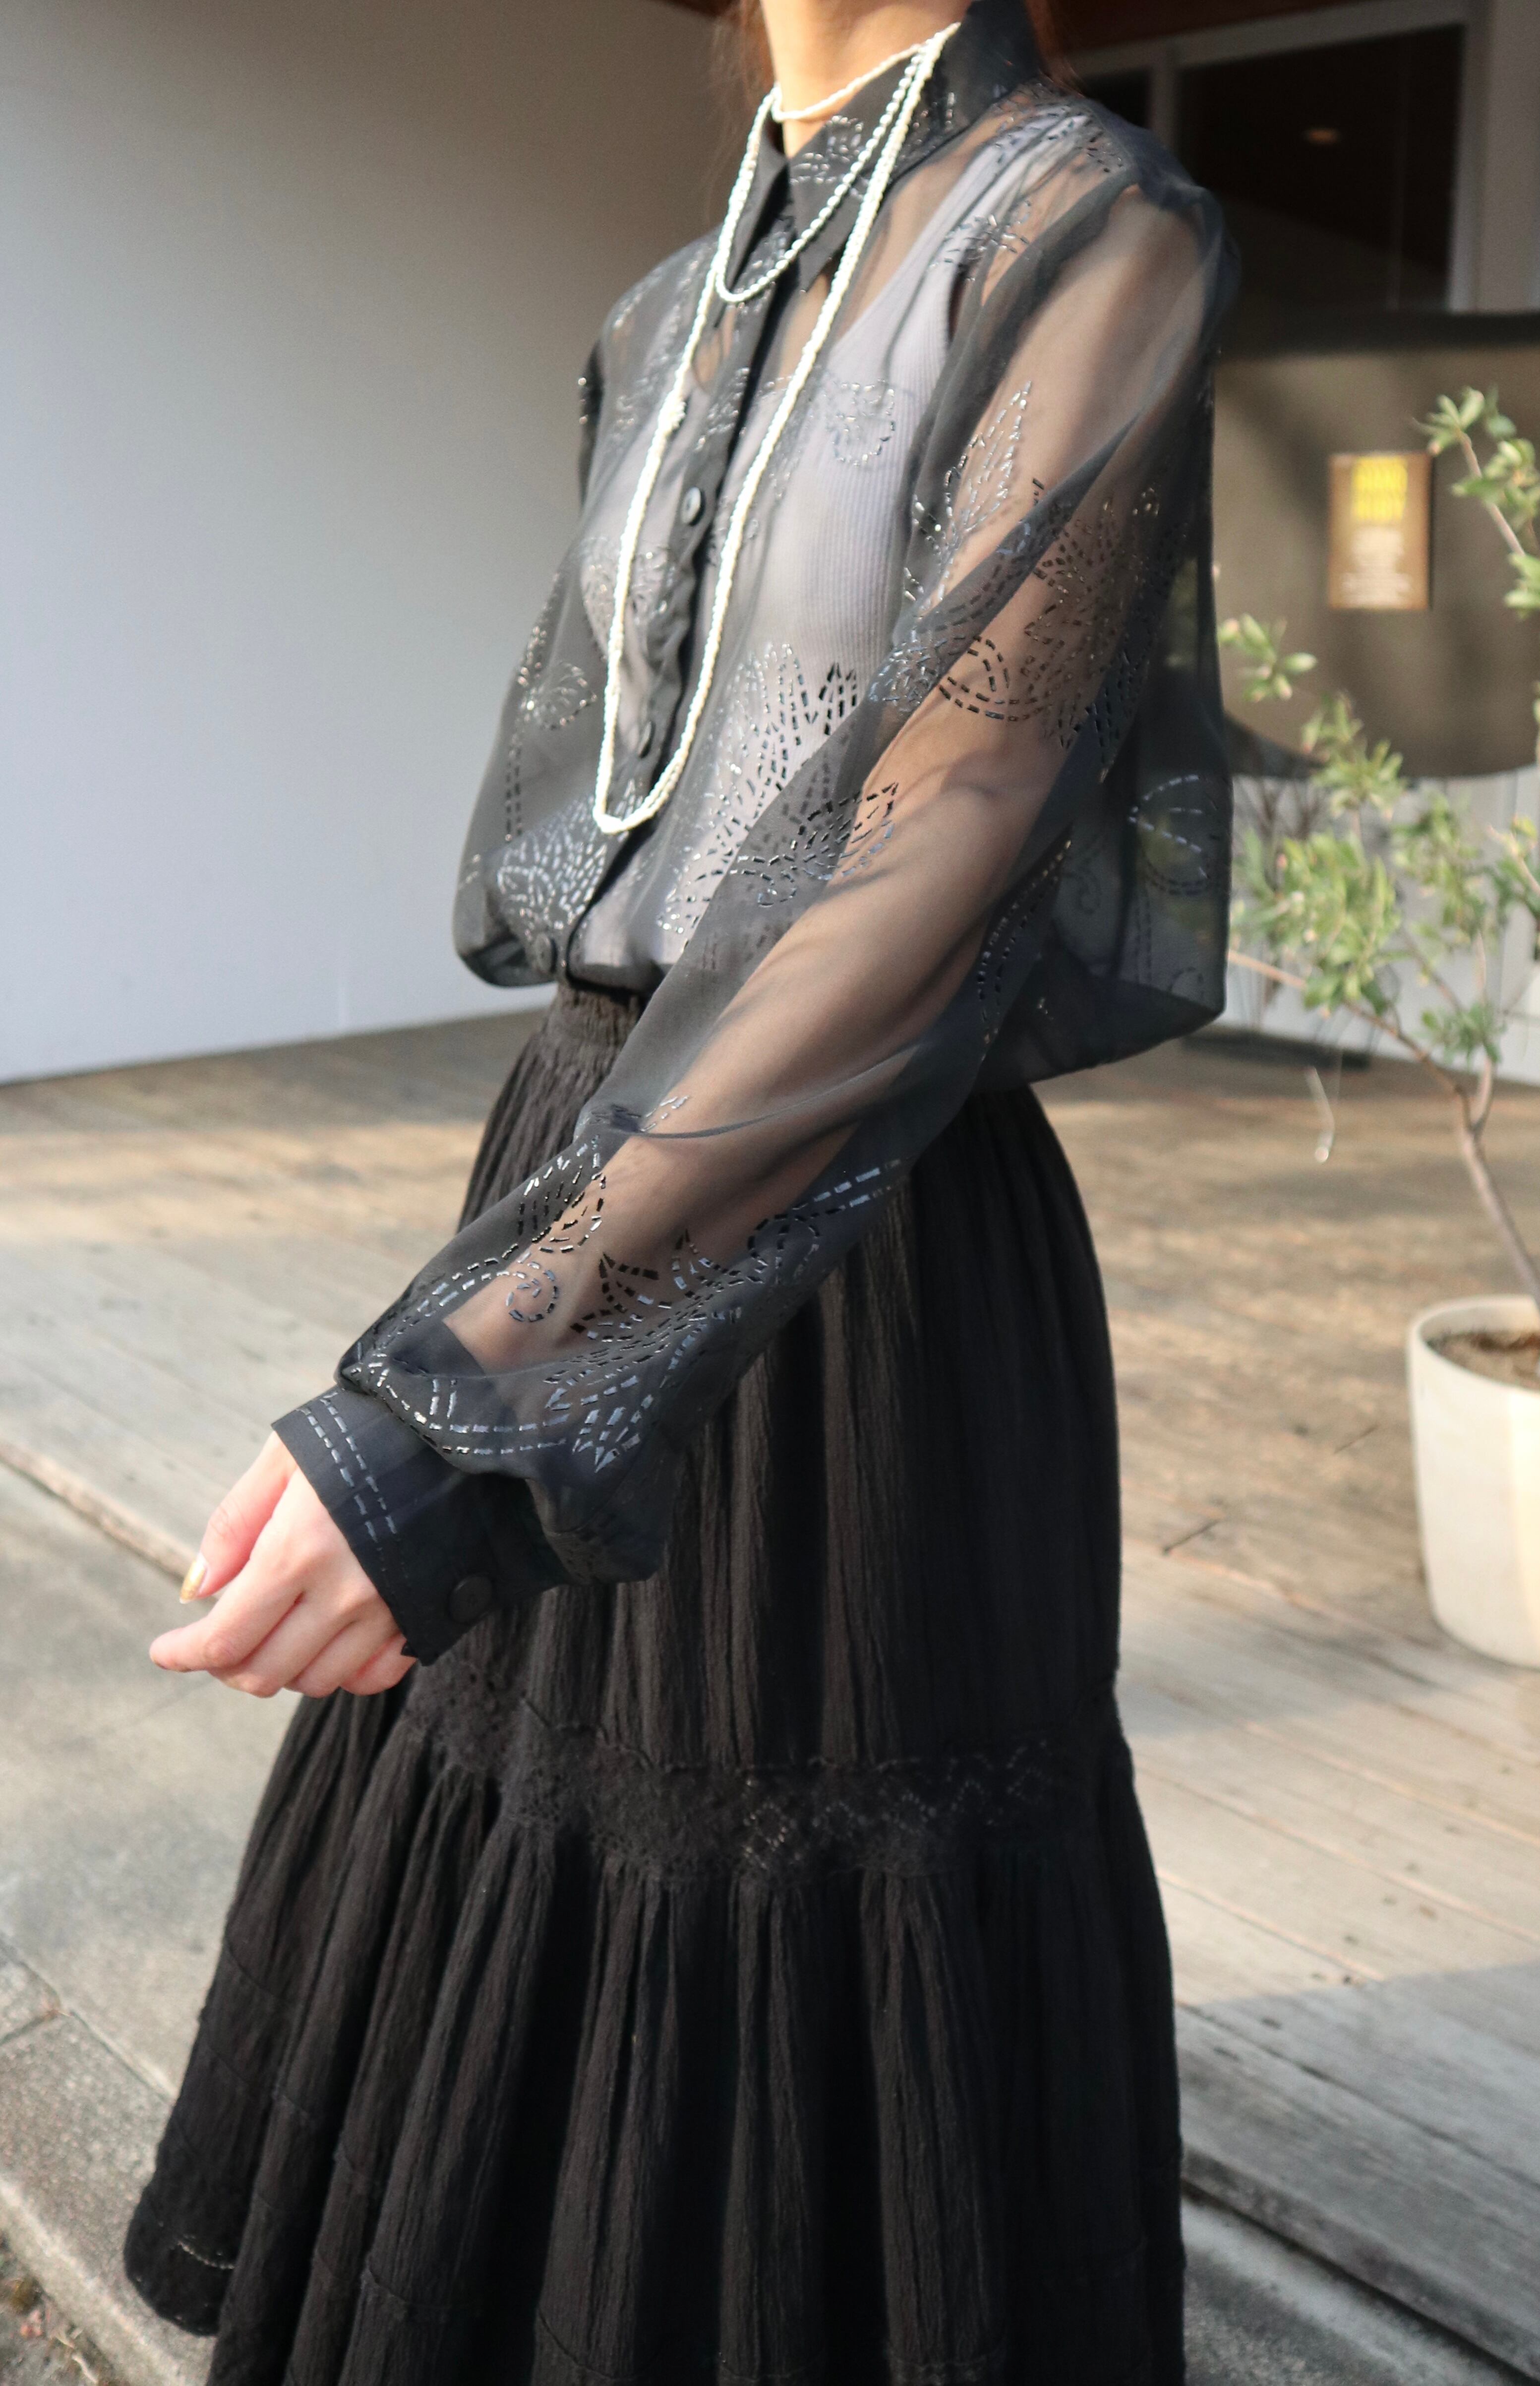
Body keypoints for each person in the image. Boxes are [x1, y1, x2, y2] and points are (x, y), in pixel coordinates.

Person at [125, 2, 1237, 2379]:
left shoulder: (1084, 232)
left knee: (802, 1946)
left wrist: (447, 1428)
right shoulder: (672, 304)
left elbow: (938, 849)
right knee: (533, 1852)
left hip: (876, 1271)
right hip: (568, 1173)